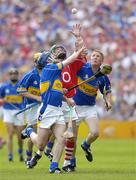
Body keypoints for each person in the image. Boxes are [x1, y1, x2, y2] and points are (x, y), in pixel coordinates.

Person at [21, 46, 87, 173]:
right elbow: (68, 61)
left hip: (57, 111)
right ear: (47, 62)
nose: (54, 57)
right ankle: (29, 130)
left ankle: (54, 166)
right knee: (40, 144)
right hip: (46, 111)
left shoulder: (56, 74)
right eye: (51, 57)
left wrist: (67, 99)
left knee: (62, 139)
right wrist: (78, 52)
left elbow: (56, 92)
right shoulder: (49, 69)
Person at [44, 24, 87, 172]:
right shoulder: (49, 69)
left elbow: (80, 52)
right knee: (49, 138)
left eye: (62, 49)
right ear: (51, 55)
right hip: (55, 105)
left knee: (71, 136)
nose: (61, 50)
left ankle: (67, 162)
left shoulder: (71, 63)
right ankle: (44, 148)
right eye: (57, 50)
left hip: (69, 105)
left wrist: (78, 37)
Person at [73, 49, 112, 162]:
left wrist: (108, 101)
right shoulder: (82, 68)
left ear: (101, 61)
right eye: (93, 55)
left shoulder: (103, 76)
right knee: (72, 138)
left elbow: (107, 91)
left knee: (95, 133)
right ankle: (71, 162)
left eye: (98, 56)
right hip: (75, 107)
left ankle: (86, 145)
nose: (95, 57)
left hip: (89, 107)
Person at [17, 52, 48, 165]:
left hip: (44, 106)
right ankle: (29, 155)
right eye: (37, 61)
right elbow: (20, 90)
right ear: (35, 63)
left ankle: (30, 153)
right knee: (35, 133)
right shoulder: (30, 75)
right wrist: (37, 97)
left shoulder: (47, 75)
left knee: (39, 134)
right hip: (31, 107)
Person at [0, 68, 25, 161]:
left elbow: (26, 98)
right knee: (10, 134)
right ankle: (10, 155)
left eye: (15, 74)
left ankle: (20, 152)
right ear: (9, 75)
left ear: (17, 75)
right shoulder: (4, 87)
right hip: (8, 111)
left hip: (19, 111)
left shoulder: (21, 86)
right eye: (11, 74)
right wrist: (2, 100)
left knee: (19, 137)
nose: (13, 75)